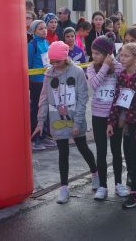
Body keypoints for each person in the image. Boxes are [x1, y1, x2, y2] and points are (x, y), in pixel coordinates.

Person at [33, 41, 98, 204]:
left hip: (75, 117)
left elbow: (83, 98)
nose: (54, 65)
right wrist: (40, 121)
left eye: (57, 61)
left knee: (83, 147)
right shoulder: (49, 74)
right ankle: (64, 187)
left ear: (65, 58)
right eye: (52, 62)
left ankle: (95, 173)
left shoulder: (77, 72)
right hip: (57, 120)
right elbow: (44, 98)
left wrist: (77, 122)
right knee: (63, 152)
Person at [107, 43, 136, 209]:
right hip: (128, 121)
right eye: (121, 55)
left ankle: (134, 193)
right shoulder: (121, 75)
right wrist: (111, 122)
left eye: (126, 56)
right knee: (132, 154)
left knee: (135, 156)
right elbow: (117, 99)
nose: (122, 58)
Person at [86, 35, 127, 200]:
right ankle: (103, 186)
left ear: (107, 54)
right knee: (101, 151)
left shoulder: (119, 68)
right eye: (93, 53)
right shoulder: (91, 67)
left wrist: (122, 115)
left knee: (116, 150)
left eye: (97, 53)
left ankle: (118, 183)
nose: (93, 56)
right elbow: (94, 84)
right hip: (98, 115)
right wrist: (104, 66)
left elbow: (123, 91)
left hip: (114, 115)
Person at [28, 20, 54, 151]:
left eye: (45, 28)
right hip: (36, 82)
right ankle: (35, 138)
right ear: (34, 31)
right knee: (36, 109)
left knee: (46, 108)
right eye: (40, 29)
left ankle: (44, 135)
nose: (44, 30)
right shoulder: (32, 44)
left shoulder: (46, 42)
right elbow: (28, 64)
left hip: (47, 79)